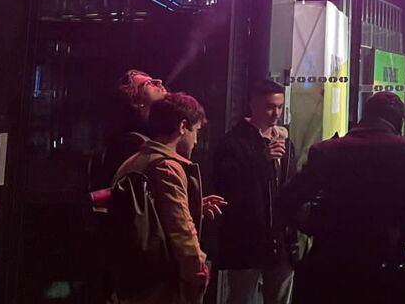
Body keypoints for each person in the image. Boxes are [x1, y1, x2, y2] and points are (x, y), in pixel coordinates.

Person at [278, 91, 405, 304]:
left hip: (330, 264)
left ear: (364, 115)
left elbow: (289, 199)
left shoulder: (326, 150)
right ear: (399, 120)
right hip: (385, 266)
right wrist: (392, 233)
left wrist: (316, 226)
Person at [111, 92, 222, 304]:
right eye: (196, 131)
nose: (196, 141)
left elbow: (151, 215)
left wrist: (194, 207)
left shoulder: (134, 161)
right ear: (182, 126)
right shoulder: (167, 167)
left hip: (132, 280)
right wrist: (198, 271)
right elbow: (181, 230)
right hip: (160, 285)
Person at [212, 79, 297, 304]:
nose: (276, 113)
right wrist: (261, 159)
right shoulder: (233, 142)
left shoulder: (285, 142)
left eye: (280, 107)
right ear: (253, 104)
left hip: (281, 239)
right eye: (270, 107)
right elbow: (225, 184)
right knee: (241, 296)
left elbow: (289, 184)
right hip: (247, 238)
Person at [92, 70, 168, 193]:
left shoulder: (154, 138)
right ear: (136, 102)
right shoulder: (128, 146)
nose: (159, 81)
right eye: (148, 83)